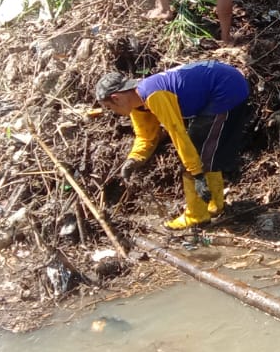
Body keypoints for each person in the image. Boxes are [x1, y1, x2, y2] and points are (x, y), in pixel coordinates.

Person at [95, 62, 252, 231]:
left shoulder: (154, 95)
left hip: (227, 89)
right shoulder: (138, 102)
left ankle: (197, 216)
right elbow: (146, 136)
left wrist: (197, 174)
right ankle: (214, 204)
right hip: (220, 86)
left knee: (196, 154)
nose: (112, 112)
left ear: (116, 98)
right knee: (205, 153)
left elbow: (178, 134)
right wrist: (134, 159)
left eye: (109, 107)